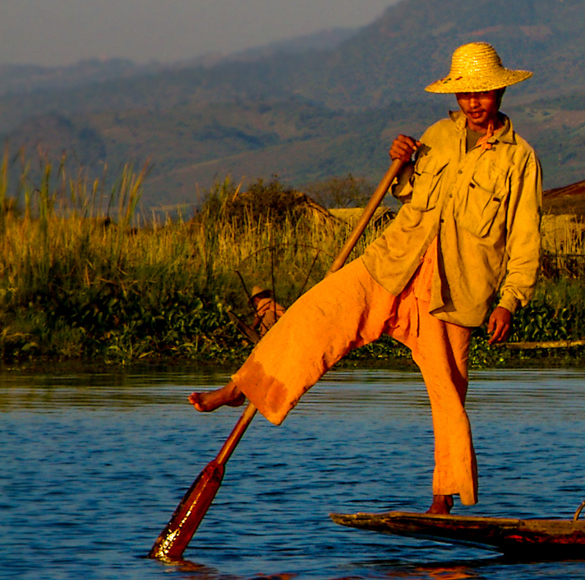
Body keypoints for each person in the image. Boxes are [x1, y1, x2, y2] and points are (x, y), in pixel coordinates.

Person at [189, 42, 542, 515]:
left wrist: (509, 301)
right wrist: (402, 162)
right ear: (456, 96)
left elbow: (525, 239)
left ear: (501, 92)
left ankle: (443, 499)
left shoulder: (519, 159)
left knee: (448, 394)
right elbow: (410, 193)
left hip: (453, 290)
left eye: (484, 93)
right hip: (393, 262)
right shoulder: (436, 135)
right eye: (466, 94)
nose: (475, 102)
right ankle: (243, 387)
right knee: (314, 313)